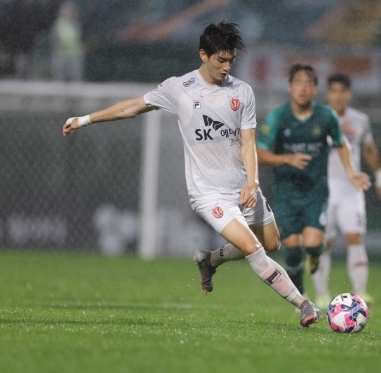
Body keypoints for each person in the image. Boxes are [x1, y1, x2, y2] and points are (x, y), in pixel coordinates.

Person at [62, 21, 321, 327]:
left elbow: (249, 142)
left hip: (242, 186)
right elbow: (132, 106)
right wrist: (84, 119)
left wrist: (253, 182)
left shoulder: (242, 92)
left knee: (271, 242)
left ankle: (209, 260)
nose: (226, 67)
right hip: (207, 193)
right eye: (220, 60)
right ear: (203, 54)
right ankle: (303, 304)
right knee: (253, 248)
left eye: (231, 60)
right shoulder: (179, 88)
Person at [255, 65, 371, 299]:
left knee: (313, 244)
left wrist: (351, 172)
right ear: (290, 87)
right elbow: (259, 152)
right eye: (298, 82)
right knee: (293, 249)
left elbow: (341, 143)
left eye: (308, 83)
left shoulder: (325, 116)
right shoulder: (279, 116)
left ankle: (315, 257)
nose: (303, 88)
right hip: (287, 191)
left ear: (315, 89)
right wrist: (287, 158)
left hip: (315, 191)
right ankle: (302, 297)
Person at [311, 73, 381, 309]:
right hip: (323, 190)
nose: (338, 95)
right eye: (333, 91)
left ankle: (360, 293)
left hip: (350, 190)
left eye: (342, 91)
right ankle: (321, 294)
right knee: (323, 244)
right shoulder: (317, 118)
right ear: (328, 94)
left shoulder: (360, 120)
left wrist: (380, 174)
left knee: (355, 238)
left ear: (349, 94)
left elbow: (368, 148)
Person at [51, 1, 84, 81]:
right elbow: (55, 39)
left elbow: (78, 39)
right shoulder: (59, 24)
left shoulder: (75, 24)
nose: (70, 13)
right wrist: (59, 53)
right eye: (68, 11)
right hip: (62, 55)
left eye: (71, 11)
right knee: (60, 77)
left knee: (75, 76)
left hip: (74, 55)